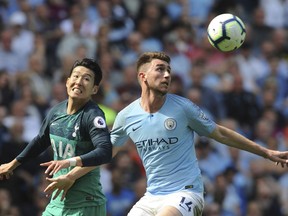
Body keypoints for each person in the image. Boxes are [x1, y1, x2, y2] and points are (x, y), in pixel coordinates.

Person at [40, 52, 288, 216]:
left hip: (186, 192)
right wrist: (71, 176)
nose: (167, 74)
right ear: (142, 76)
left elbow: (220, 134)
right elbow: (103, 154)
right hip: (152, 196)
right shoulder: (127, 115)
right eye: (160, 70)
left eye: (169, 70)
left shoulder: (183, 108)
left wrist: (265, 152)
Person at [0, 58, 112, 216]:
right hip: (57, 203)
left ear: (94, 89)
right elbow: (41, 140)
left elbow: (105, 151)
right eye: (76, 76)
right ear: (67, 82)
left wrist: (69, 162)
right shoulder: (56, 111)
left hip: (86, 204)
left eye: (86, 79)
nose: (79, 82)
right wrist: (13, 164)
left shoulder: (93, 115)